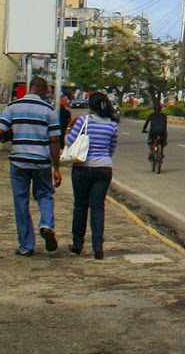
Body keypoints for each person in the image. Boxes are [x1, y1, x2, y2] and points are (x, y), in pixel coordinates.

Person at [0, 76, 62, 256]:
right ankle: (46, 225)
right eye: (46, 90)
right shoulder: (49, 111)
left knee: (21, 201)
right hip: (41, 161)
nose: (48, 93)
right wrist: (56, 168)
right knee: (45, 195)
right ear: (39, 88)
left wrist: (8, 135)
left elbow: (0, 130)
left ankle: (26, 246)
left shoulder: (13, 107)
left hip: (19, 160)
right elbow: (54, 141)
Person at [65, 92, 119, 260]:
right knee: (97, 207)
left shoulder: (84, 121)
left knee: (81, 206)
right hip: (104, 167)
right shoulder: (112, 125)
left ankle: (78, 244)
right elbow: (111, 148)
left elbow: (69, 141)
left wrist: (69, 128)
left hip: (83, 167)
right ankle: (98, 247)